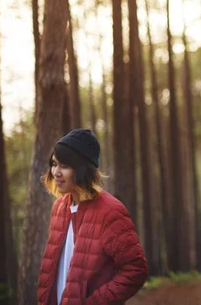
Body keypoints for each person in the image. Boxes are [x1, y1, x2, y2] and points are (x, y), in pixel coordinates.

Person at [37, 128, 148, 305]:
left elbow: (136, 270)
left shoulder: (110, 211)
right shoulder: (59, 207)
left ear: (82, 169)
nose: (56, 172)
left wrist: (95, 301)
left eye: (64, 166)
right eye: (54, 163)